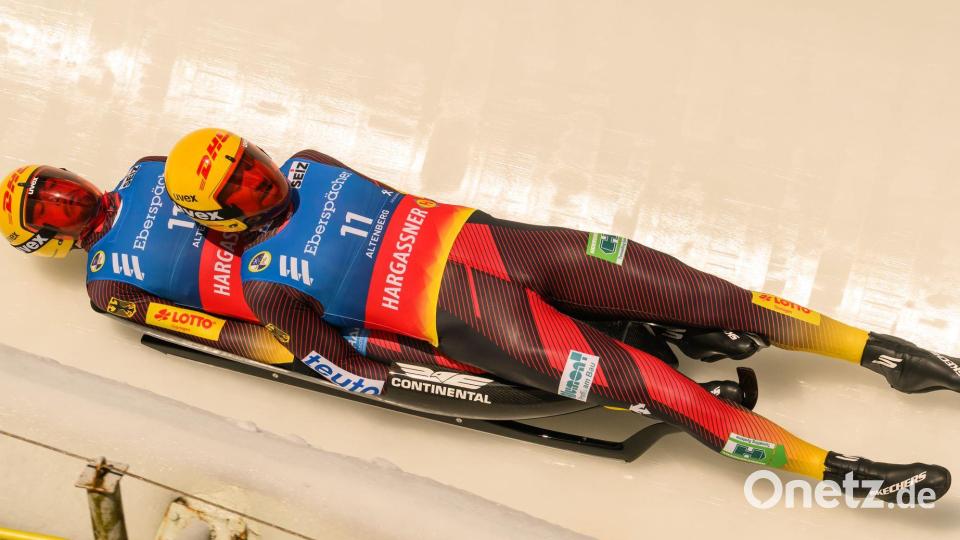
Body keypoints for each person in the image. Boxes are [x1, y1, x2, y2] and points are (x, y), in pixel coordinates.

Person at [161, 128, 954, 501]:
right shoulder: (265, 282)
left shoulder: (313, 164)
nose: (268, 188)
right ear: (220, 217)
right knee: (669, 396)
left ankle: (885, 351)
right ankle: (842, 474)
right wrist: (431, 380)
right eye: (249, 192)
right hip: (480, 319)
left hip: (508, 246)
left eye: (259, 170)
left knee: (710, 291)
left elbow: (409, 199)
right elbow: (334, 361)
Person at [0, 160, 757, 413]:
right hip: (309, 311)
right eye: (58, 207)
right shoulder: (109, 286)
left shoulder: (148, 170)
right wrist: (287, 349)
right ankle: (644, 383)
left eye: (63, 188)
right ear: (51, 236)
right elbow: (195, 326)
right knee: (441, 340)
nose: (73, 202)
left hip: (341, 259)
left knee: (497, 271)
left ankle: (666, 322)